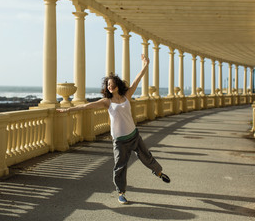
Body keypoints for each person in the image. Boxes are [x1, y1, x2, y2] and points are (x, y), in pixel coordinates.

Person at [57, 54, 170, 204]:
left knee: (146, 156)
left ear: (117, 84)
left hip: (133, 135)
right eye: (108, 85)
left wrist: (145, 65)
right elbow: (86, 106)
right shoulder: (106, 102)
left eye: (112, 84)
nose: (110, 86)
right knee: (120, 167)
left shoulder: (126, 95)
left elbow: (138, 79)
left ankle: (158, 172)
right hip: (120, 141)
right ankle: (121, 193)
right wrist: (68, 110)